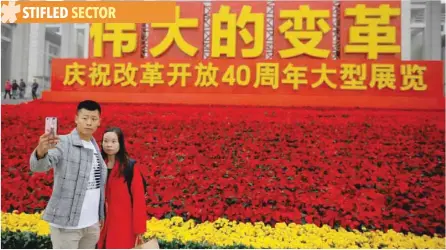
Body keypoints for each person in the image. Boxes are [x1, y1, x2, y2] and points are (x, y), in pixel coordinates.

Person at [29, 100, 107, 249]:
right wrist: (41, 151)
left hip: (91, 225)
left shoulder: (95, 146)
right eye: (85, 118)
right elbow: (39, 166)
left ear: (99, 122)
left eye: (93, 119)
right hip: (67, 225)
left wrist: (99, 216)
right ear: (76, 118)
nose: (89, 122)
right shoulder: (63, 142)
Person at [98, 127, 147, 249]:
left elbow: (138, 199)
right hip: (100, 225)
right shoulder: (98, 164)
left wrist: (139, 230)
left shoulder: (129, 167)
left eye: (114, 141)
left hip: (123, 225)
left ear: (120, 143)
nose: (109, 145)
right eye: (106, 141)